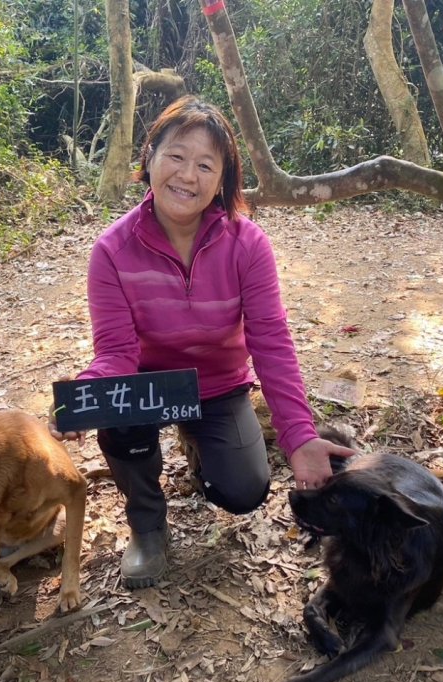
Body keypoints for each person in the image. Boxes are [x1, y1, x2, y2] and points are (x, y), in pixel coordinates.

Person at [52, 96, 355, 589]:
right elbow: (116, 354)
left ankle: (198, 440)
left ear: (222, 181)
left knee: (243, 491)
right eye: (175, 155)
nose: (186, 175)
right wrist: (88, 392)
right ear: (149, 156)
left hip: (218, 384)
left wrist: (299, 437)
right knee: (122, 420)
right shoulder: (112, 250)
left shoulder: (247, 244)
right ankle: (147, 527)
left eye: (205, 165)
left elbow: (271, 342)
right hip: (147, 384)